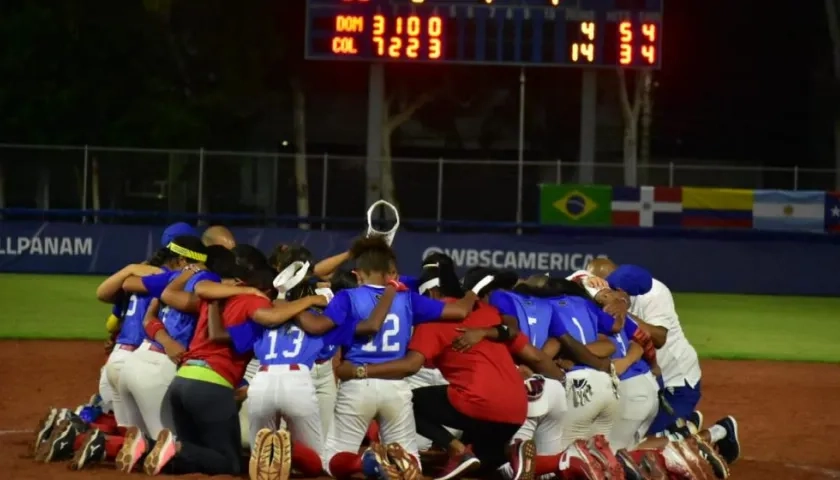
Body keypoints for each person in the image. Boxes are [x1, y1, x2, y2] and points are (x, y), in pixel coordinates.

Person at [316, 237, 476, 480]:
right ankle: (393, 461)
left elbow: (326, 329)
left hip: (357, 384)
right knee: (410, 462)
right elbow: (459, 312)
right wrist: (473, 293)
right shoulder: (408, 298)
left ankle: (367, 461)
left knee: (332, 463)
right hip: (396, 387)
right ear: (390, 272)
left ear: (358, 273)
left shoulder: (346, 297)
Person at [587, 260, 702, 435]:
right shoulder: (591, 289)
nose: (601, 293)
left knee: (646, 446)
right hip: (644, 375)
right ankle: (680, 425)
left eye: (606, 287)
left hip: (676, 380)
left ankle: (716, 432)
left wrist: (624, 313)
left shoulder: (654, 293)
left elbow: (659, 338)